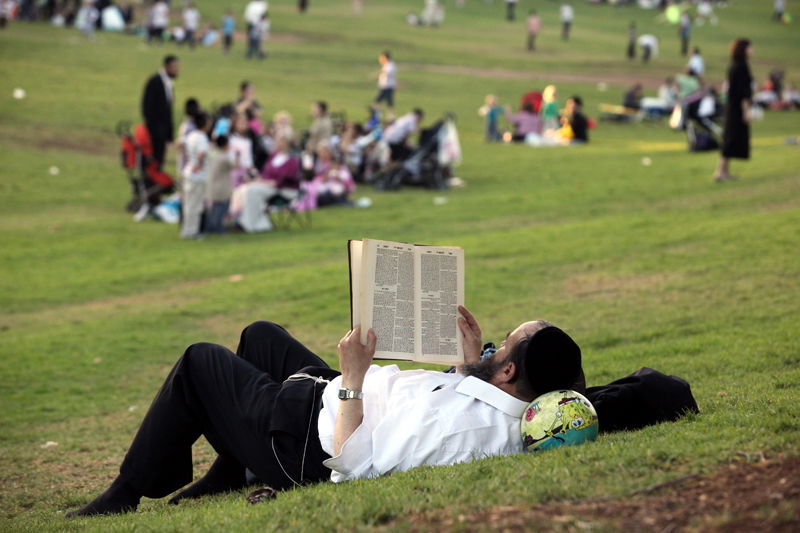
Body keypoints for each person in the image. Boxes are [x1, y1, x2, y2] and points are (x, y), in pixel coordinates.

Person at [65, 307, 586, 517]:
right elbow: (455, 403)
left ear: (510, 373)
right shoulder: (494, 398)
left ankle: (126, 492)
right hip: (327, 394)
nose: (494, 348)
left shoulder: (460, 428)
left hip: (303, 440)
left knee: (200, 362)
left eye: (501, 349)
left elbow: (351, 462)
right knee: (260, 336)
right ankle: (230, 469)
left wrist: (355, 375)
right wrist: (468, 365)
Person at [714, 38, 753, 183]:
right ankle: (720, 171)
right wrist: (746, 110)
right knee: (731, 139)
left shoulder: (735, 65)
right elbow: (743, 92)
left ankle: (724, 171)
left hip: (732, 106)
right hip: (736, 108)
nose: (752, 50)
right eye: (750, 48)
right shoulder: (741, 66)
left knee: (731, 138)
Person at [141, 55, 179, 170]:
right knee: (153, 161)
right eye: (174, 67)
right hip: (154, 131)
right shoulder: (155, 82)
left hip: (162, 132)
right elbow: (147, 107)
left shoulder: (168, 83)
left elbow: (168, 110)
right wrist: (155, 129)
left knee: (159, 162)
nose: (177, 70)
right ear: (166, 67)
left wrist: (169, 134)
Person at [180, 113, 210, 240]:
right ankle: (192, 232)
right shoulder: (202, 137)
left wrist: (190, 161)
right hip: (198, 176)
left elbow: (181, 145)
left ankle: (186, 230)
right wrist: (199, 164)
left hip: (188, 173)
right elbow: (201, 153)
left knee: (188, 204)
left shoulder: (191, 135)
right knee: (196, 206)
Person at [205, 135, 234, 234]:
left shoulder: (213, 155)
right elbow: (235, 166)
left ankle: (210, 227)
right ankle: (217, 228)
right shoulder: (224, 157)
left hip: (212, 185)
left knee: (214, 208)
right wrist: (238, 156)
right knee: (222, 208)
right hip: (221, 187)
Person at [374, 51, 396, 117]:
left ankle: (380, 115)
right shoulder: (387, 65)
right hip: (385, 86)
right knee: (380, 101)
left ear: (385, 58)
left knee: (384, 101)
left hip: (387, 86)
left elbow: (387, 73)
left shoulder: (390, 65)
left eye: (381, 58)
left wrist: (379, 73)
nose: (380, 59)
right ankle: (378, 114)